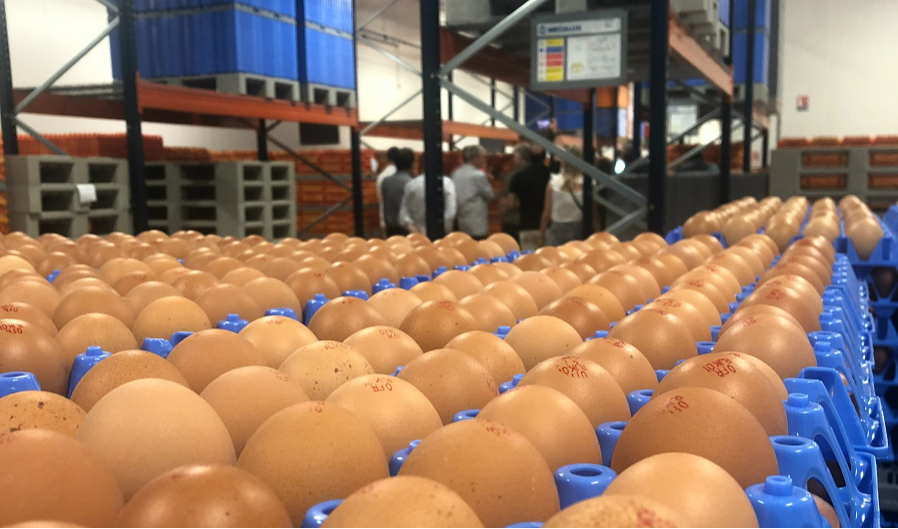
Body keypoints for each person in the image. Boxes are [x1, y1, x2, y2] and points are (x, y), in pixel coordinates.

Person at [540, 146, 600, 246]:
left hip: (557, 230)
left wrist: (542, 237)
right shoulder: (588, 183)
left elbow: (547, 212)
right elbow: (594, 213)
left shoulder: (554, 182)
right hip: (579, 230)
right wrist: (598, 234)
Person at [509, 141, 552, 251]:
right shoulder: (552, 176)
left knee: (528, 258)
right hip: (548, 226)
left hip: (526, 225)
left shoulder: (518, 177)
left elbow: (511, 203)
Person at [452, 145, 494, 240]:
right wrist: (489, 182)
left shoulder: (455, 173)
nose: (485, 160)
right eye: (483, 157)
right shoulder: (478, 175)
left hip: (460, 219)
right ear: (475, 158)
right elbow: (490, 195)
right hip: (477, 221)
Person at [498, 143, 532, 243]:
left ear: (520, 158)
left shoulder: (513, 176)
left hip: (513, 220)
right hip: (532, 221)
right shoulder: (538, 174)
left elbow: (506, 201)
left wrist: (501, 216)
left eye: (514, 157)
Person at [380, 148, 416, 237]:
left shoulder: (386, 181)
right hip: (408, 230)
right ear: (411, 164)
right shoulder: (411, 183)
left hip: (390, 229)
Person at [376, 147, 400, 236]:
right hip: (400, 221)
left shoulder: (381, 176)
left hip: (384, 218)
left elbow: (379, 196)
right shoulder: (400, 175)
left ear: (387, 158)